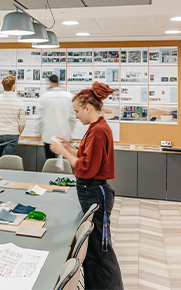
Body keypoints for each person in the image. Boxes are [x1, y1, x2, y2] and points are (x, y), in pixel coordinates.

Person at [50, 81, 123, 290]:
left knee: (101, 252)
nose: (76, 116)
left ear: (88, 108)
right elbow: (85, 158)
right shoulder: (95, 128)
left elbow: (86, 168)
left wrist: (64, 153)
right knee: (93, 251)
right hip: (92, 191)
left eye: (77, 111)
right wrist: (69, 147)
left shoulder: (98, 131)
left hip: (95, 193)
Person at [35, 74, 76, 160]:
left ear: (50, 83)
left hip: (49, 136)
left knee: (50, 161)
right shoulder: (68, 96)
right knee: (66, 161)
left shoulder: (44, 97)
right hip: (65, 136)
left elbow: (39, 117)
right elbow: (72, 118)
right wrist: (70, 131)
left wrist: (38, 132)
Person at [0, 75, 25, 168]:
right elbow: (22, 122)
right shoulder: (19, 102)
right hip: (13, 134)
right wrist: (17, 133)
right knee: (8, 160)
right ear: (13, 86)